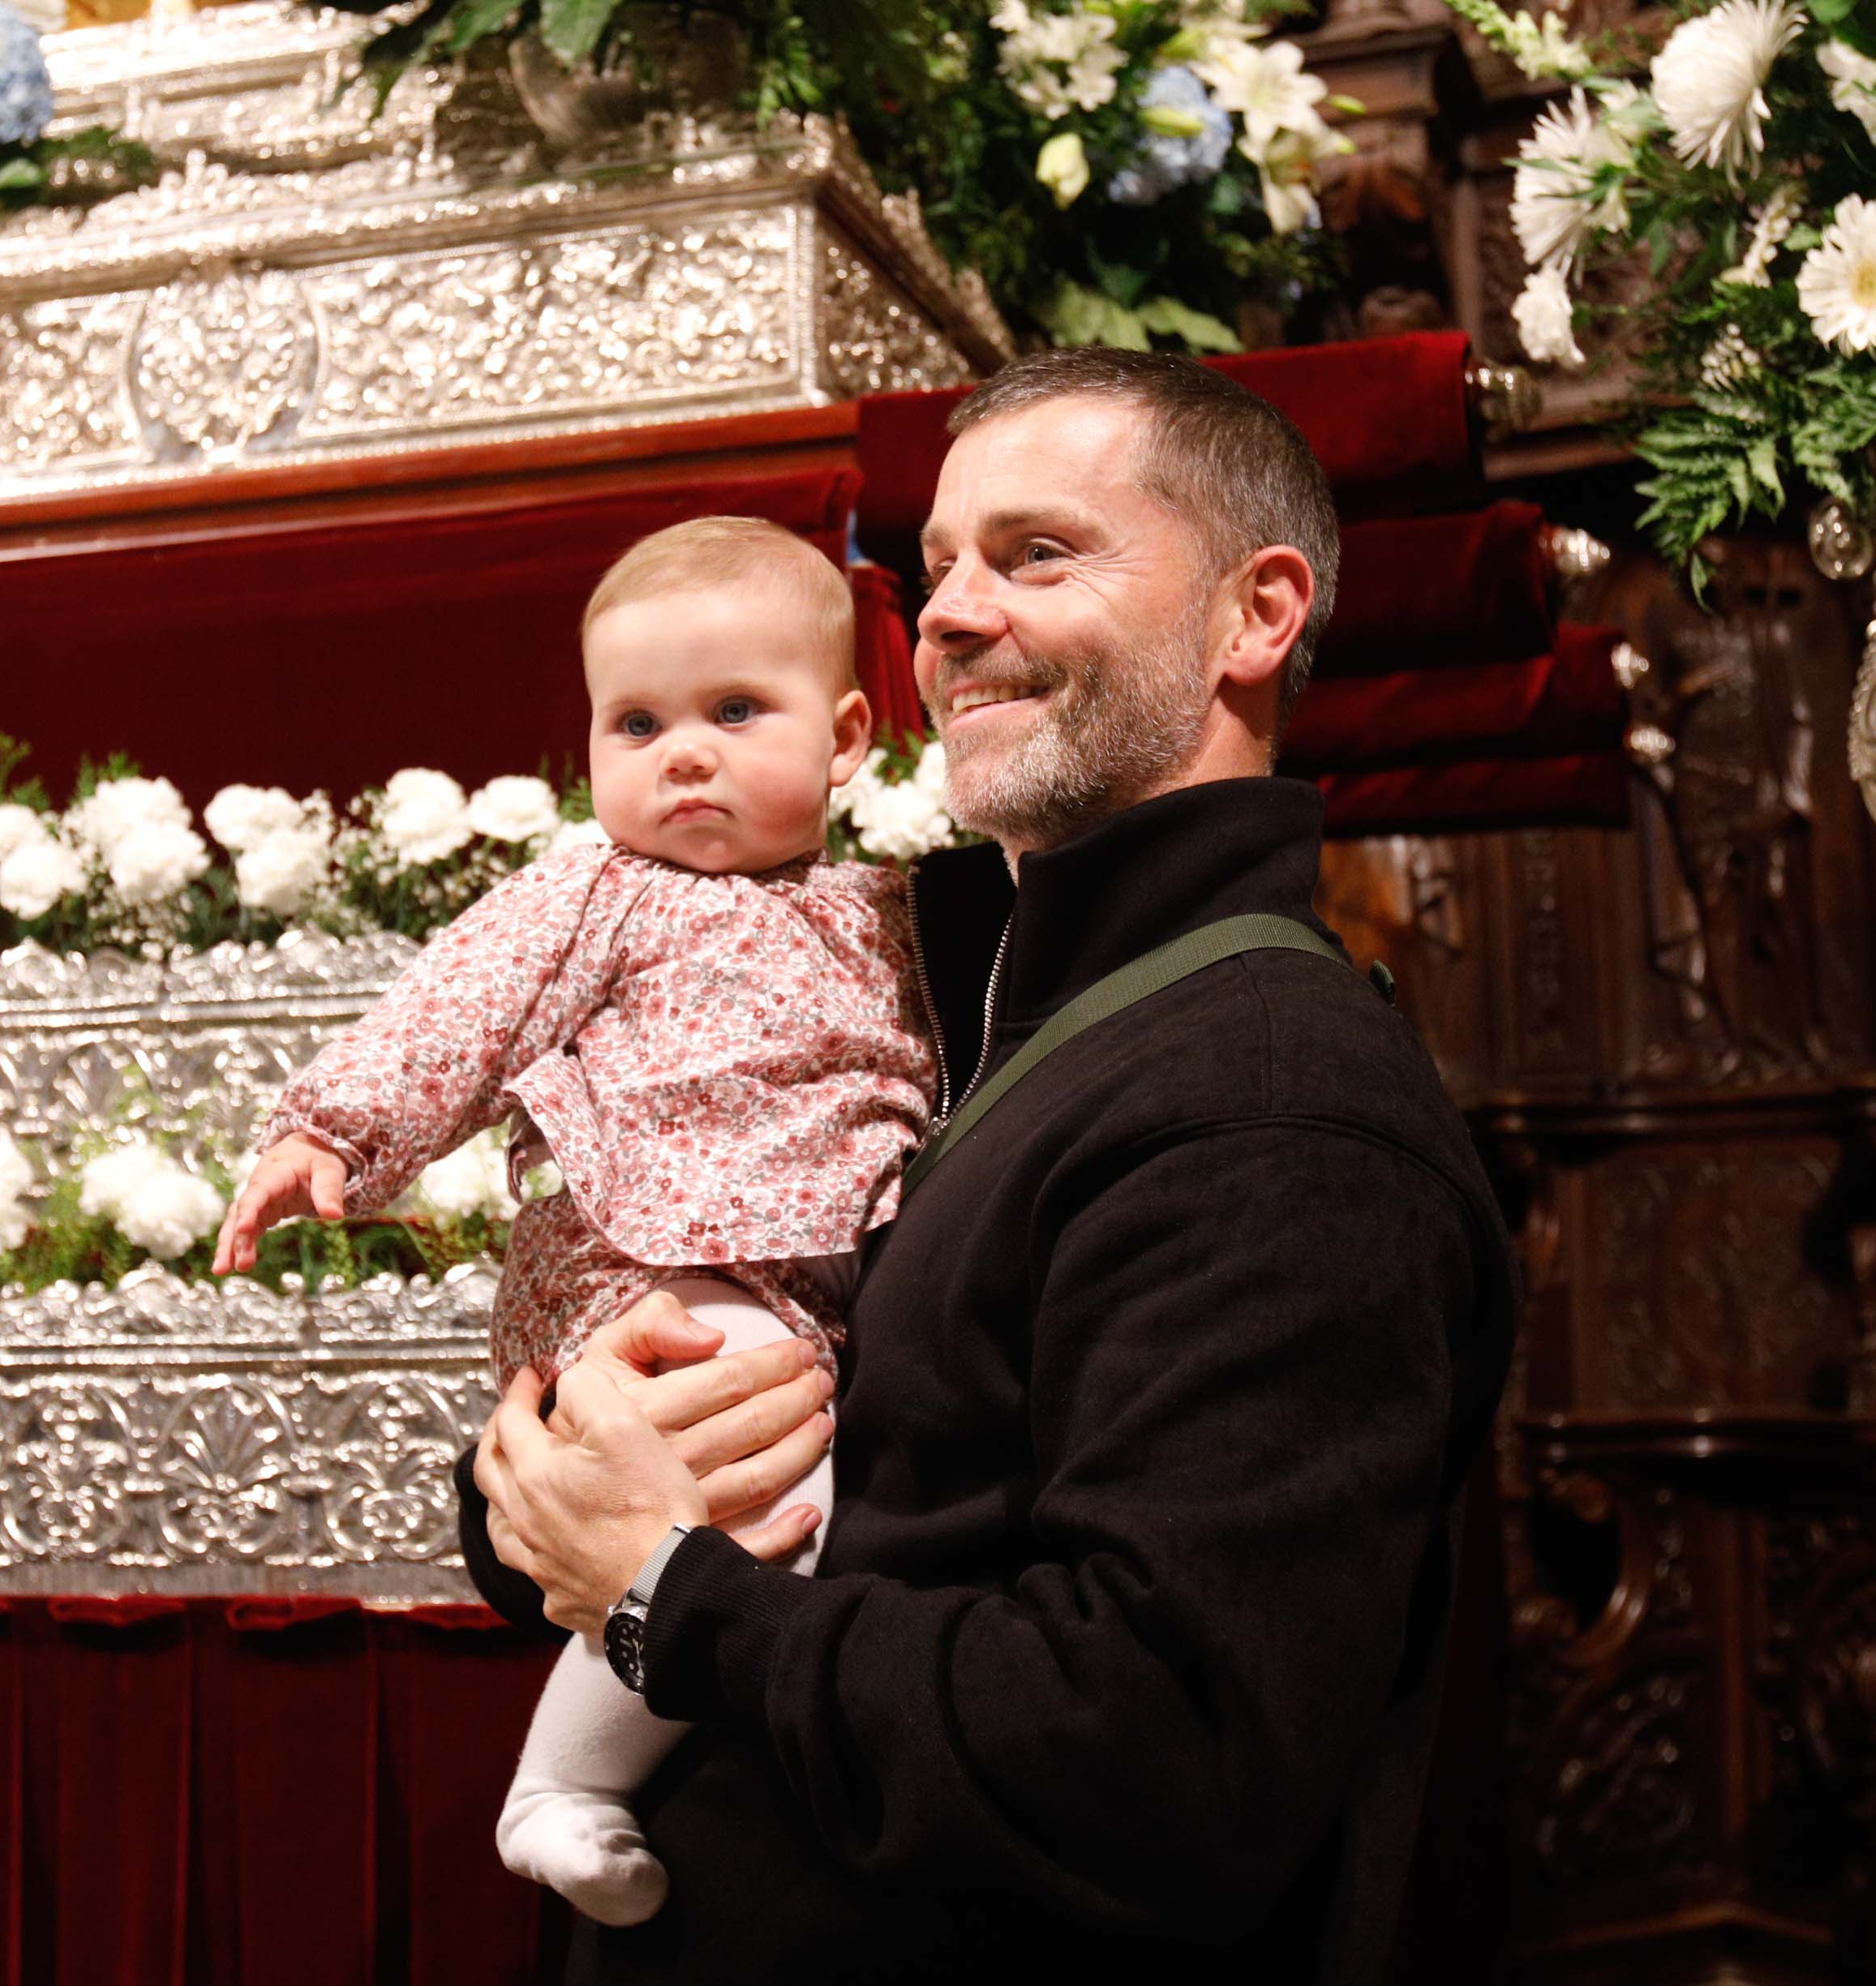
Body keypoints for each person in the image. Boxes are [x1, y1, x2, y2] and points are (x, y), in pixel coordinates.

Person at [461, 347, 1522, 1984]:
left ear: (1257, 614)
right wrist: (556, 1474)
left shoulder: (1264, 1102)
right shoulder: (940, 998)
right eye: (935, 565)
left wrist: (670, 1596)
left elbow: (1160, 1754)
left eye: (1036, 553)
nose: (947, 613)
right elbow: (880, 1486)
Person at [211, 517, 936, 1927]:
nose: (683, 753)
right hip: (642, 1263)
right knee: (780, 1510)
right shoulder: (603, 889)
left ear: (847, 737)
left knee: (800, 1511)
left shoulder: (887, 913)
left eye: (736, 711)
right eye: (638, 721)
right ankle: (561, 1783)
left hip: (810, 1287)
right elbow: (456, 1010)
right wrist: (331, 1133)